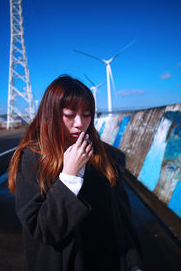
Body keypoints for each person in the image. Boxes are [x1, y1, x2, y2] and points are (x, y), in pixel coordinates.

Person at [8, 75, 143, 271]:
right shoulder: (32, 159)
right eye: (70, 115)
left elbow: (124, 221)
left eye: (87, 114)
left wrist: (134, 263)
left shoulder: (108, 157)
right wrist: (69, 177)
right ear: (51, 114)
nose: (79, 123)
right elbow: (42, 229)